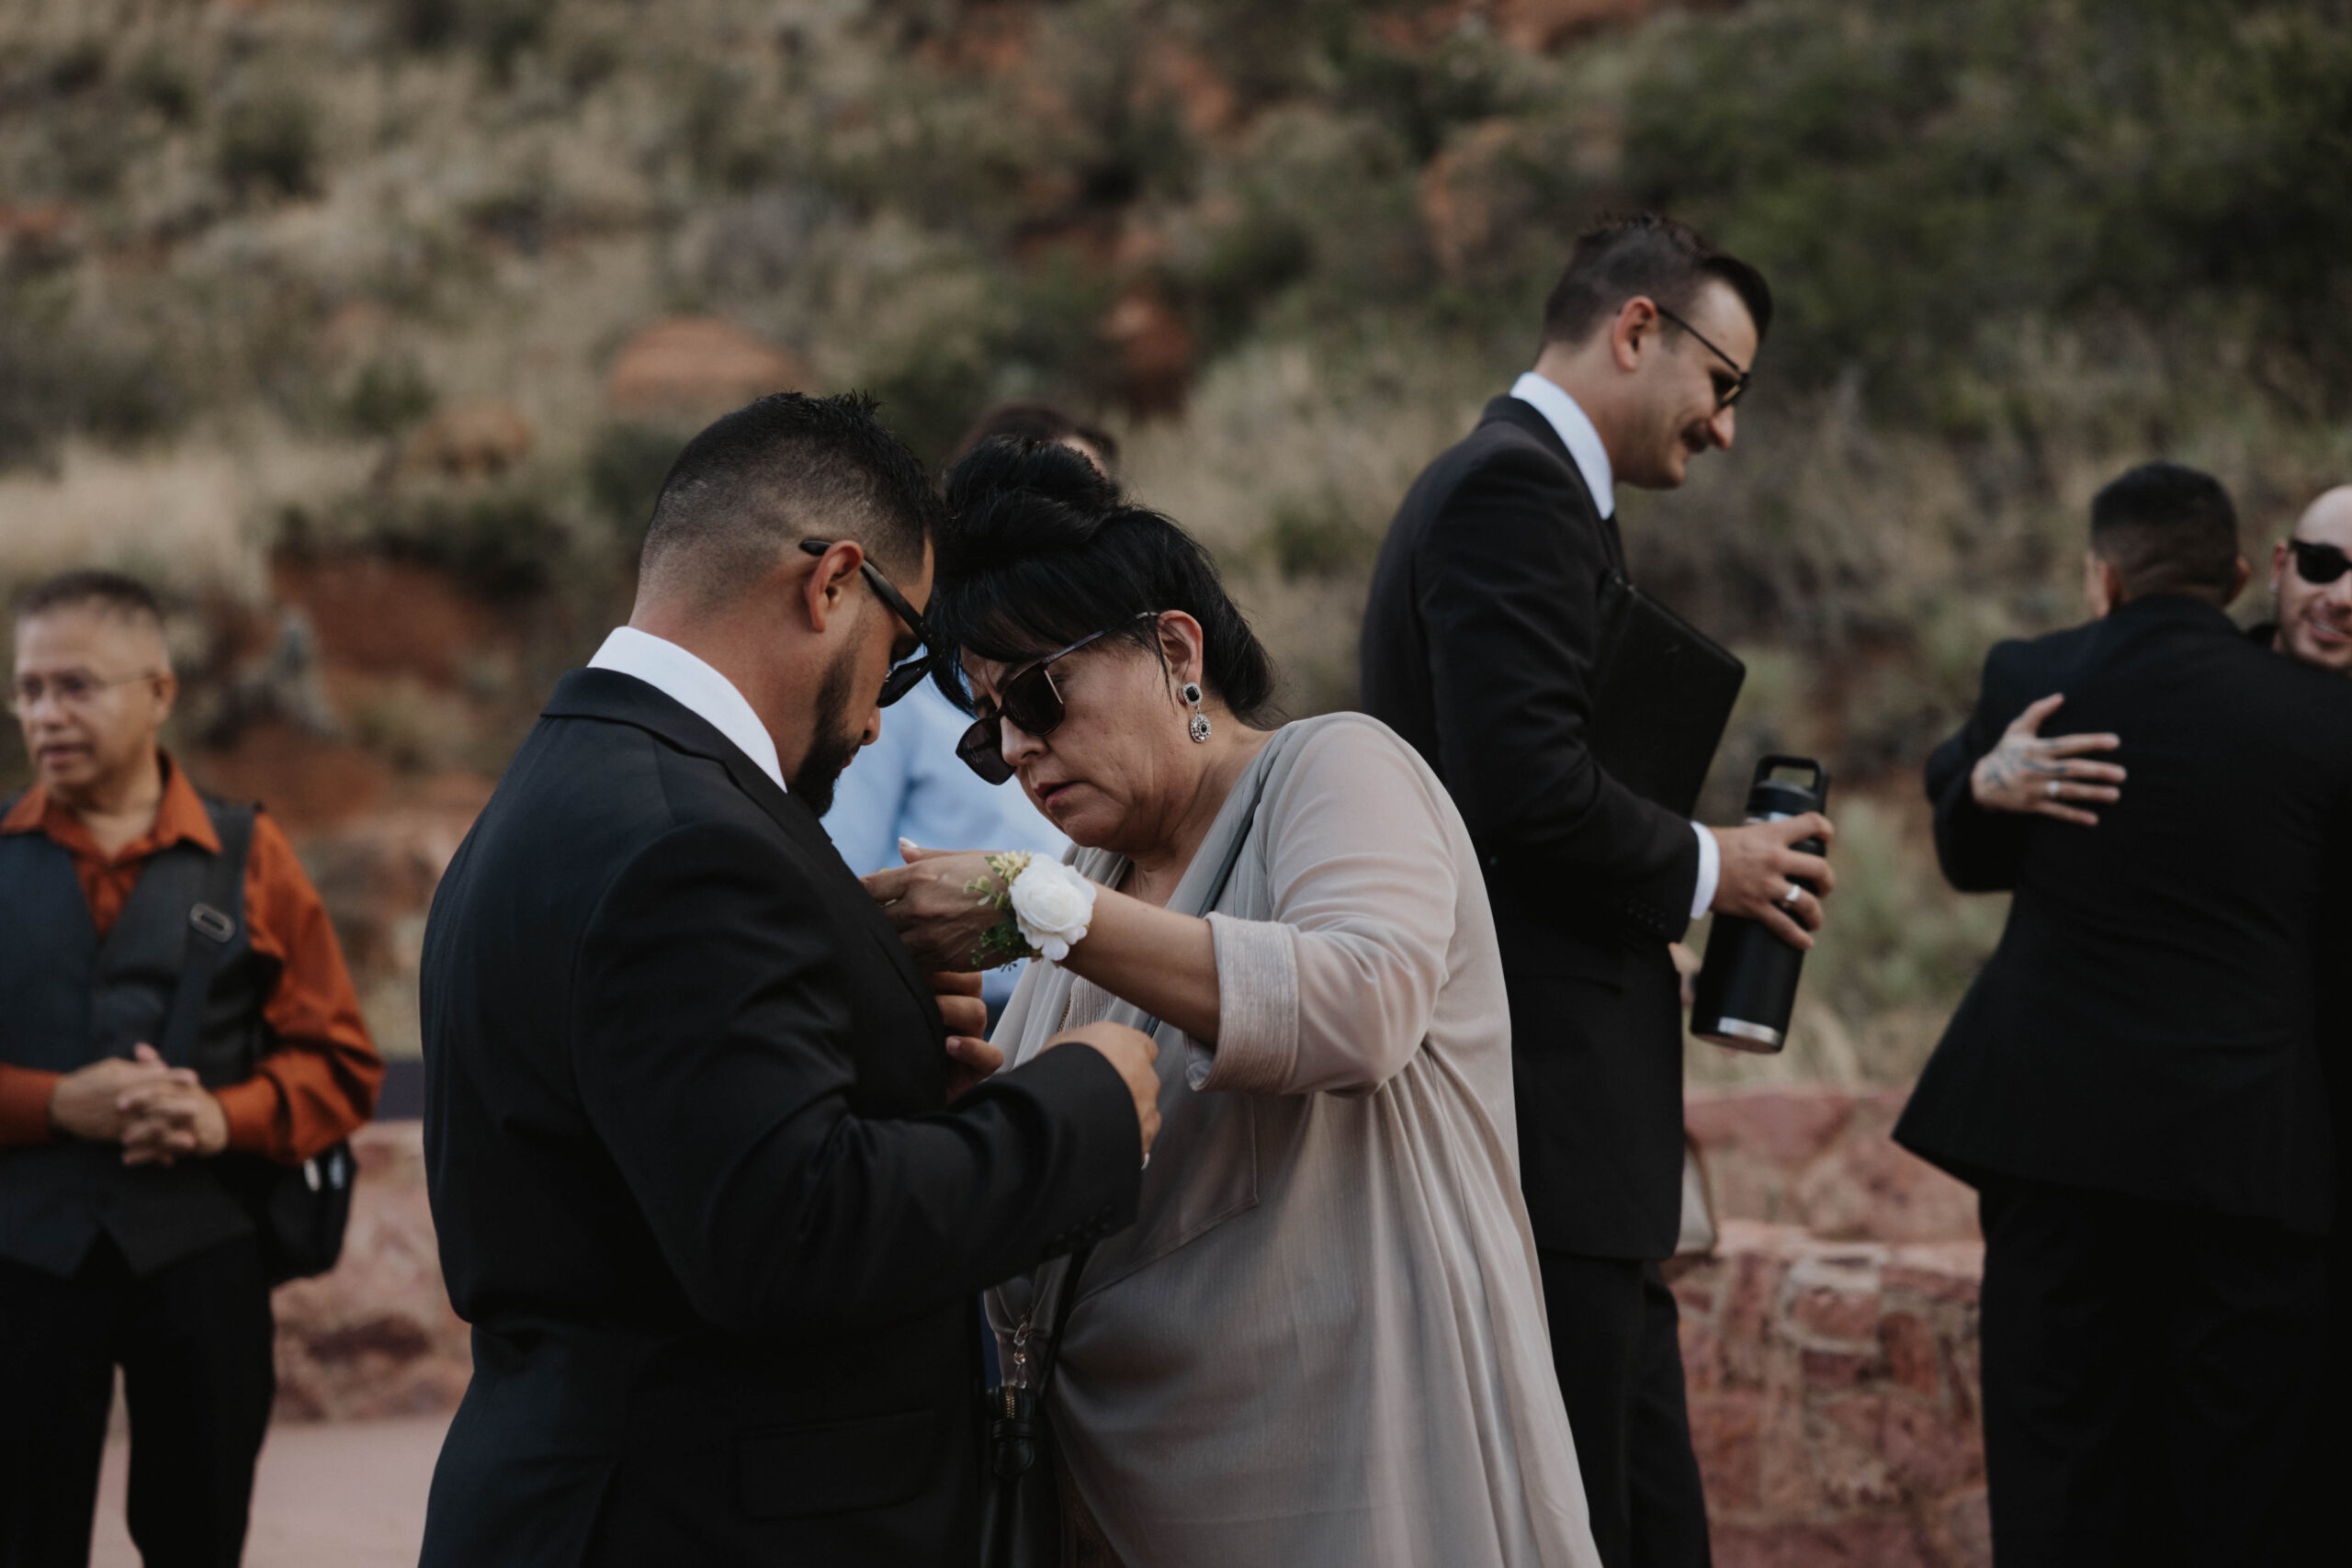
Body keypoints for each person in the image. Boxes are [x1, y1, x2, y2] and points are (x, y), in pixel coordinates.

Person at [415, 392, 1161, 1568]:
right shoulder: (685, 841)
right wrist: (1078, 1105)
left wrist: (903, 1077)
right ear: (832, 586)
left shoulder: (572, 784)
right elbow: (791, 1232)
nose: (880, 718)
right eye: (908, 658)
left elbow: (690, 1167)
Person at [868, 439, 1601, 1568]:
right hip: (1134, 1498)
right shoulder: (1092, 882)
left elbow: (1356, 1006)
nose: (1017, 748)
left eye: (1037, 694)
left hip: (1362, 1475)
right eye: (986, 729)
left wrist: (1032, 905)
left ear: (1174, 649)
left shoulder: (1333, 769)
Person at [1359, 211, 1830, 1568]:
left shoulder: (1540, 494)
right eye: (1722, 386)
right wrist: (1714, 863)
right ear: (1638, 328)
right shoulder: (1513, 490)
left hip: (1578, 1118)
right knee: (1582, 1517)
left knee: (1638, 1506)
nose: (1725, 429)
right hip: (1545, 1110)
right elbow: (1523, 786)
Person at [1893, 463, 2352, 1567]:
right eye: (2325, 567)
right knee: (2202, 1488)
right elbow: (1963, 815)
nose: (2341, 597)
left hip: (2122, 1148)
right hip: (2238, 1159)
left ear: (2101, 581)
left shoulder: (2042, 668)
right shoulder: (2293, 708)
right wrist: (1979, 784)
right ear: (2265, 572)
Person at [0, 570, 381, 1568]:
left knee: (198, 1542)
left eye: (75, 686)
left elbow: (341, 1062)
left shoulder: (253, 855)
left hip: (205, 1262)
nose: (46, 713)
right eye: (29, 688)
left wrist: (228, 1118)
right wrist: (55, 1107)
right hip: (18, 1270)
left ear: (159, 691)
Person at [826, 406, 1106, 1010]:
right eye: (1053, 506)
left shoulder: (1113, 685)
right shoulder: (898, 691)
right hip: (967, 1013)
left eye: (1097, 513)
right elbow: (840, 873)